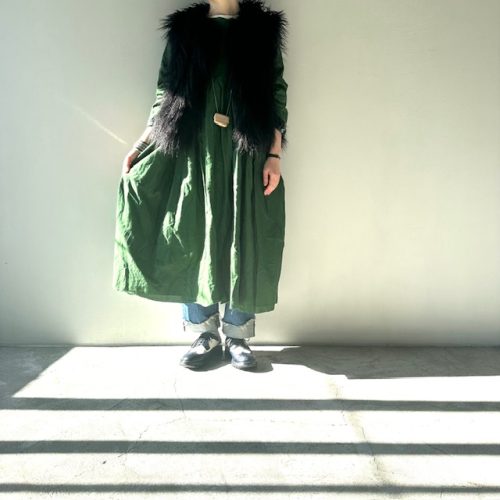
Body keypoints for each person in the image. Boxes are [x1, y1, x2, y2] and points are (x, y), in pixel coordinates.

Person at [112, 0, 289, 370]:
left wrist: (274, 154)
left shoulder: (262, 30)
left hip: (245, 149)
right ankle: (204, 333)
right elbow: (166, 92)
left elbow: (276, 93)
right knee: (195, 232)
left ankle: (237, 335)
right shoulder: (185, 31)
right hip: (195, 148)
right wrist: (142, 145)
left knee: (243, 233)